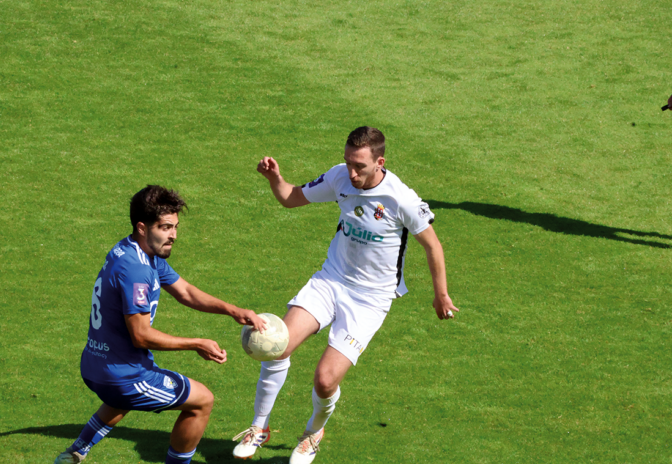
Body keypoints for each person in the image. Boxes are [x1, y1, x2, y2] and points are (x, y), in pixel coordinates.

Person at [231, 127, 458, 463]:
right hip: (330, 280)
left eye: (359, 166)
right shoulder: (340, 177)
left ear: (380, 162)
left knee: (325, 381)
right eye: (348, 162)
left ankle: (312, 433)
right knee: (276, 345)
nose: (351, 172)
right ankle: (259, 426)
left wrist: (441, 295)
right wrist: (275, 179)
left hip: (370, 299)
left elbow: (433, 246)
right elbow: (291, 197)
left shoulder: (401, 199)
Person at [54, 185, 266, 464]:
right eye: (165, 227)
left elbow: (185, 292)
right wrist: (196, 344)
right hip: (123, 375)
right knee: (202, 401)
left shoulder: (132, 251)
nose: (173, 235)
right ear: (142, 227)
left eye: (175, 227)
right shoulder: (137, 270)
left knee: (124, 398)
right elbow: (141, 336)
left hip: (95, 364)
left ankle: (74, 453)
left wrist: (233, 311)